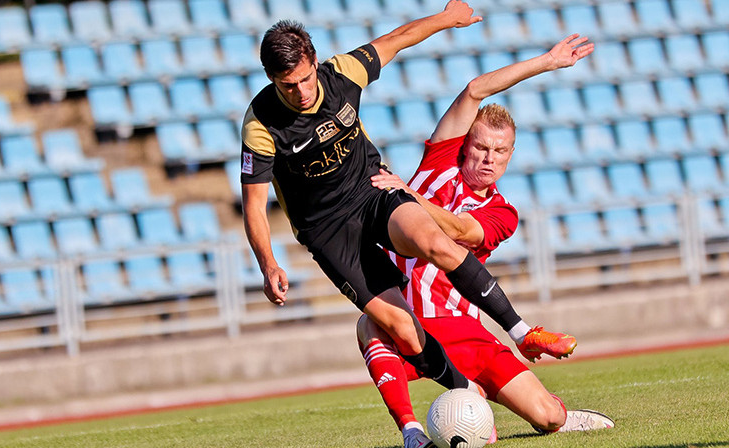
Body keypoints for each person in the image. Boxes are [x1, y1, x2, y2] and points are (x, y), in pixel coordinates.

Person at [241, 1, 571, 400]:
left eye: (306, 79)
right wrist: (268, 263)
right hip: (326, 230)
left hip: (371, 190)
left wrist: (448, 19)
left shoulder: (342, 73)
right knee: (401, 328)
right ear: (271, 78)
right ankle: (463, 398)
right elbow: (254, 205)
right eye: (288, 85)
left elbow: (396, 41)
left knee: (434, 242)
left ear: (314, 62)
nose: (302, 92)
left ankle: (522, 331)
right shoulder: (261, 124)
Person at [358, 35, 614, 448]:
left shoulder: (503, 213)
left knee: (547, 418)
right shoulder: (439, 161)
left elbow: (457, 232)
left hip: (463, 328)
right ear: (464, 146)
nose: (488, 157)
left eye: (500, 150)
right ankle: (410, 432)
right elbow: (476, 89)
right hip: (407, 321)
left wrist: (410, 195)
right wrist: (545, 62)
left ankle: (548, 411)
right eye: (480, 146)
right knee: (369, 322)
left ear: (511, 155)